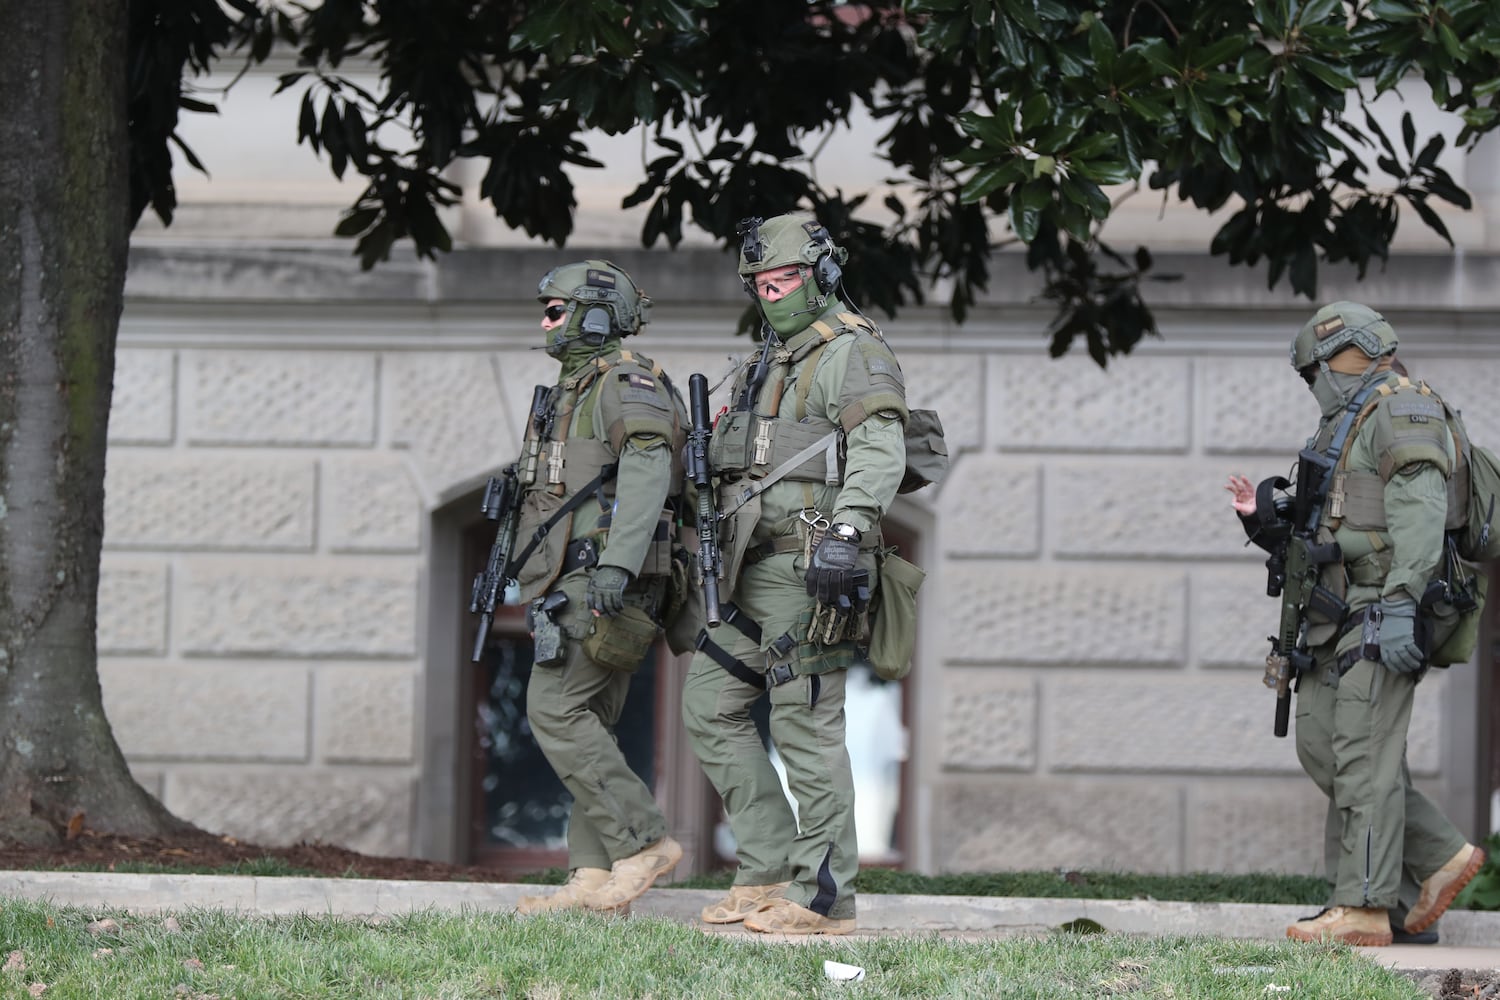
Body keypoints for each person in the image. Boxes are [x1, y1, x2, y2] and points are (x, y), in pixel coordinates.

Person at [1226, 301, 1486, 947]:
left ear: (1347, 356)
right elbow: (1331, 525)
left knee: (1364, 759)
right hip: (1332, 614)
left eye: (1315, 370)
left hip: (1380, 608)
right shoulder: (1345, 423)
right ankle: (1422, 878)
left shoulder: (1403, 411)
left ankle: (1365, 908)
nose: (1314, 384)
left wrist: (1402, 602)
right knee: (1325, 747)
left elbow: (1420, 519)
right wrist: (1261, 520)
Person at [681, 212, 910, 935]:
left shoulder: (854, 352)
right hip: (748, 566)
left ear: (823, 276)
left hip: (810, 566)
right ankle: (768, 869)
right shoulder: (765, 360)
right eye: (761, 283)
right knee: (708, 704)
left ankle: (824, 898)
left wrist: (849, 534)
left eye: (785, 280)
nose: (773, 294)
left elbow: (878, 449)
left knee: (805, 725)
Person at [511, 260, 686, 915]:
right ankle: (592, 877)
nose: (544, 322)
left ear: (592, 314)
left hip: (601, 579)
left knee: (554, 708)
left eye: (555, 310)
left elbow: (647, 465)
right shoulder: (573, 390)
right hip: (576, 579)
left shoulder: (623, 381)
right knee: (591, 722)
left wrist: (618, 562)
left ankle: (643, 842)